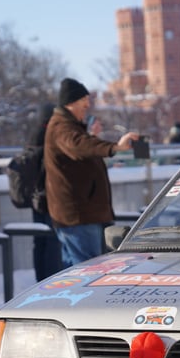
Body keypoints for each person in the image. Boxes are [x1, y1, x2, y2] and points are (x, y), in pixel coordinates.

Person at [44, 78, 138, 268]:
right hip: (79, 215)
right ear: (71, 103)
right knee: (87, 270)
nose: (88, 105)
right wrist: (116, 147)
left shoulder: (69, 127)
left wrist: (94, 137)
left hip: (83, 213)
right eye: (83, 101)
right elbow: (80, 146)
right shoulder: (61, 128)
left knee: (80, 268)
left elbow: (82, 146)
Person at [26, 103, 62, 281]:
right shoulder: (50, 136)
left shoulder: (33, 136)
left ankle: (39, 279)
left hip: (35, 197)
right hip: (49, 196)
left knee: (39, 241)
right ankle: (49, 279)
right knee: (52, 241)